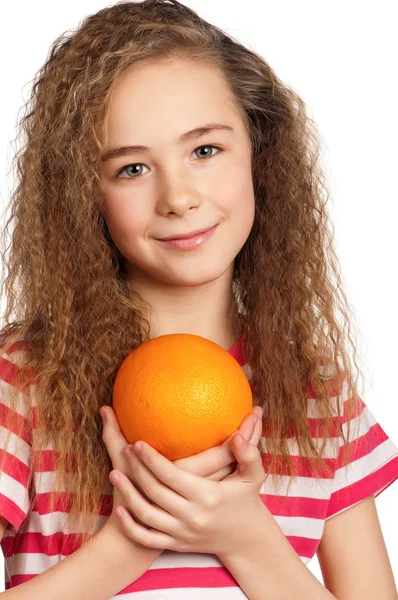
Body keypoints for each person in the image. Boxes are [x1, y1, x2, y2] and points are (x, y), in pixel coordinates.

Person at [0, 0, 397, 598]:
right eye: (132, 168)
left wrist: (247, 539)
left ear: (261, 156)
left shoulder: (319, 395)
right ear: (84, 196)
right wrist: (129, 544)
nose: (179, 197)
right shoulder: (24, 379)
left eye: (204, 151)